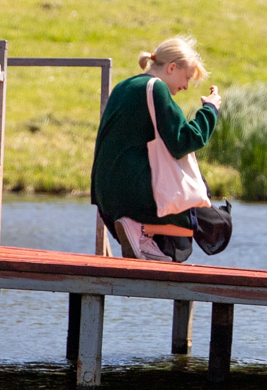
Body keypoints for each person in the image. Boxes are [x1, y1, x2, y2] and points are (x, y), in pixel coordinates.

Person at [90, 36, 223, 262]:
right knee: (206, 218)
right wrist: (210, 110)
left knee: (201, 217)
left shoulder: (124, 86)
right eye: (187, 77)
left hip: (105, 197)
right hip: (132, 197)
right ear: (172, 67)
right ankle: (140, 229)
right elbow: (185, 141)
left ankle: (144, 237)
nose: (186, 86)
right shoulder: (157, 88)